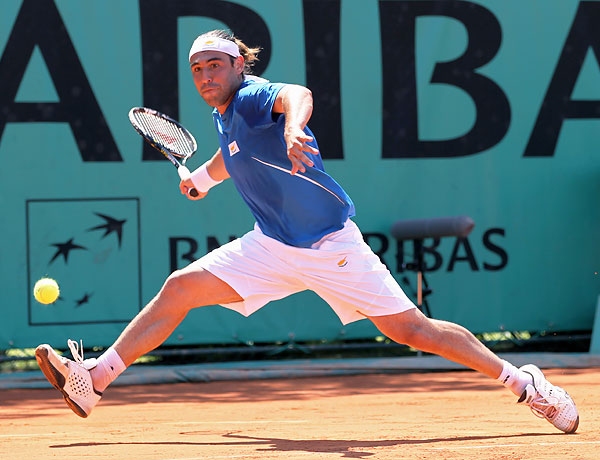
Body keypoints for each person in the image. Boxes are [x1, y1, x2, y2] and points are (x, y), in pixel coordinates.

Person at [35, 29, 579, 434]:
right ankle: (94, 380)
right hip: (270, 246)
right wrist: (202, 179)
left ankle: (523, 381)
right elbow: (232, 155)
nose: (205, 76)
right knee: (179, 288)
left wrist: (294, 126)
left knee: (414, 331)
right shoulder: (225, 115)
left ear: (238, 65)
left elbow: (296, 92)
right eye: (197, 68)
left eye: (215, 65)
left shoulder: (251, 96)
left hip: (329, 246)